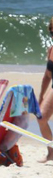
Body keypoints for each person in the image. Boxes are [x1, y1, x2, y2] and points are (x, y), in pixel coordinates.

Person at [38, 17, 53, 162]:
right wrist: (41, 95)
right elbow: (47, 76)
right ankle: (51, 152)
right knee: (41, 117)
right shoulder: (51, 50)